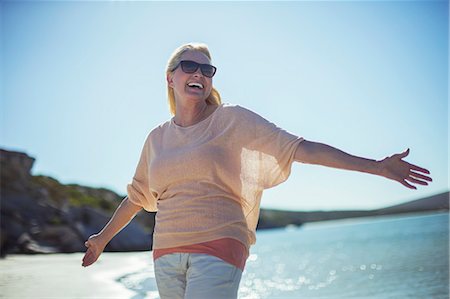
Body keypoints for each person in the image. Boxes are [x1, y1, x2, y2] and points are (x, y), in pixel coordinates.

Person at [81, 42, 432, 299]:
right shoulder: (156, 138)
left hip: (219, 242)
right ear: (170, 77)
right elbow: (137, 197)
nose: (200, 74)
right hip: (166, 253)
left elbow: (300, 148)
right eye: (190, 66)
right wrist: (101, 239)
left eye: (207, 70)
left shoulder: (232, 120)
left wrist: (375, 167)